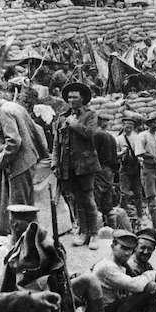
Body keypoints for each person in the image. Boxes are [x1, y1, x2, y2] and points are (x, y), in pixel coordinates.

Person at [0, 204, 119, 312]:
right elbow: (8, 287)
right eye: (30, 223)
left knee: (89, 280)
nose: (36, 228)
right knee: (42, 284)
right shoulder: (4, 251)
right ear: (14, 224)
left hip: (54, 303)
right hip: (25, 310)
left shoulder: (40, 246)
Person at [51, 82, 100, 249]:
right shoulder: (62, 117)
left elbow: (91, 134)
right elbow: (57, 143)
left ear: (83, 98)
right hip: (68, 165)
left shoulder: (90, 115)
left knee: (88, 198)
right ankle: (84, 232)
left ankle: (94, 234)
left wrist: (75, 124)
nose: (71, 100)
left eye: (75, 97)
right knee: (77, 200)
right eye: (69, 97)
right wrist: (55, 163)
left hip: (86, 165)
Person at [0, 95, 49, 206]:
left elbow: (14, 141)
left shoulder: (4, 112)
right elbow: (37, 129)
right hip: (29, 160)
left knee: (19, 207)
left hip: (20, 165)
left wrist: (1, 162)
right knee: (27, 204)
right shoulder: (15, 106)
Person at [135, 112, 156, 229]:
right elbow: (139, 152)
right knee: (151, 197)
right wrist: (154, 157)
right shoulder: (142, 136)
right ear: (149, 123)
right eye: (153, 122)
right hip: (148, 169)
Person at [116, 112, 143, 224]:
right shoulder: (119, 139)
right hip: (125, 168)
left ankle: (140, 216)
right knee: (124, 193)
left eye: (131, 127)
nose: (128, 129)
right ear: (123, 127)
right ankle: (122, 215)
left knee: (138, 193)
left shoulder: (137, 137)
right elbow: (115, 154)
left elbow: (140, 152)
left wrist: (140, 161)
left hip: (135, 167)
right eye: (127, 127)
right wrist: (122, 153)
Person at [93, 112, 118, 229]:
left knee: (95, 199)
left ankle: (97, 231)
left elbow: (92, 154)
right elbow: (115, 157)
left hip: (98, 169)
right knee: (108, 200)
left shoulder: (96, 135)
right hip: (109, 171)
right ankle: (112, 229)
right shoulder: (112, 137)